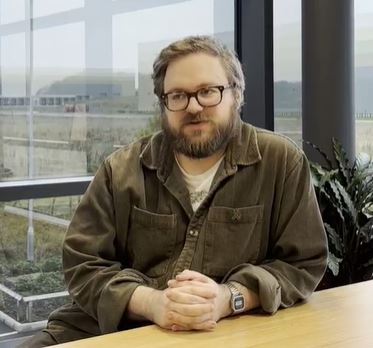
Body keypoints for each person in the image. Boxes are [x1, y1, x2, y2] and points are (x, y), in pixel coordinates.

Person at [22, 35, 327, 347]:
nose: (194, 107)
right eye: (178, 95)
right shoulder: (121, 169)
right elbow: (82, 264)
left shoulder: (280, 162)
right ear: (163, 104)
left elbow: (303, 263)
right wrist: (152, 303)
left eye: (208, 91)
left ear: (236, 95)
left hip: (231, 331)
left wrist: (229, 298)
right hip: (109, 329)